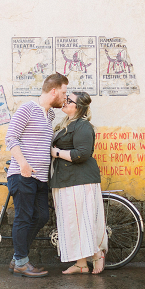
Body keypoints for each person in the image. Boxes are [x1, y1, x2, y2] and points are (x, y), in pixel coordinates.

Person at [5, 72, 68, 278]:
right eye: (63, 92)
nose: (65, 97)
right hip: (23, 174)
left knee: (41, 216)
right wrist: (23, 163)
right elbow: (11, 137)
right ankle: (22, 262)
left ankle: (18, 257)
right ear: (53, 91)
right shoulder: (28, 108)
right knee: (23, 217)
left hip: (41, 177)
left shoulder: (49, 115)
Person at [49, 91, 108, 275]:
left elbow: (82, 154)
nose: (65, 102)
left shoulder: (83, 126)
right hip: (66, 180)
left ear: (78, 106)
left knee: (84, 221)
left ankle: (97, 255)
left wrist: (56, 153)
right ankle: (81, 264)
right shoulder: (67, 123)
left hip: (80, 181)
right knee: (72, 223)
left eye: (69, 100)